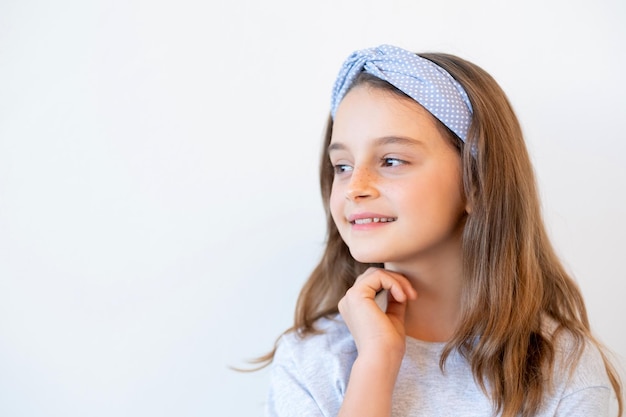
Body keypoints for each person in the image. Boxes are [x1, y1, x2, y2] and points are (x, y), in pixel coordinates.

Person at [261, 44, 623, 417]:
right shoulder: (309, 362)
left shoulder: (565, 371)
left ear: (477, 182)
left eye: (391, 160)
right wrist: (375, 365)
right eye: (342, 166)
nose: (356, 187)